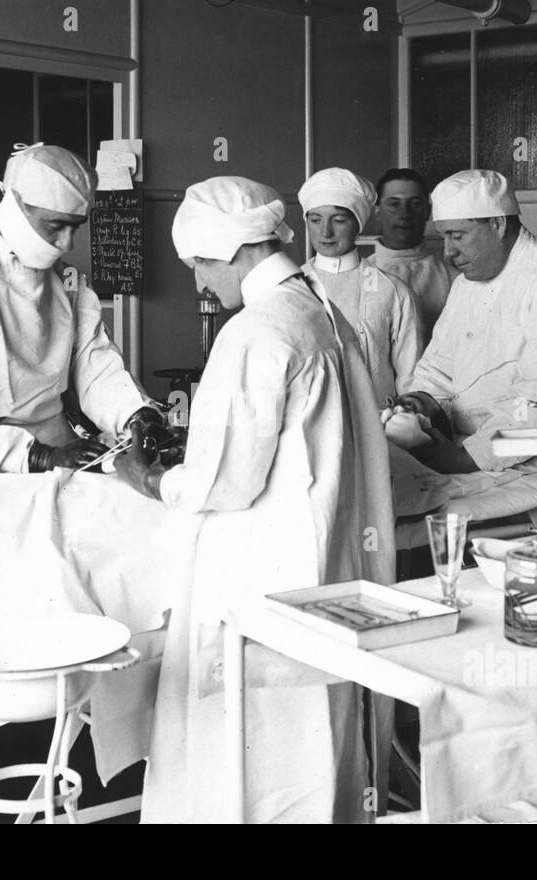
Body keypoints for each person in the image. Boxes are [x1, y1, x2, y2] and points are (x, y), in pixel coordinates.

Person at [114, 176, 395, 823]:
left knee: (255, 747)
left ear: (231, 248)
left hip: (267, 574)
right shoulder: (319, 307)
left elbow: (224, 482)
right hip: (328, 558)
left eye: (199, 265)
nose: (197, 284)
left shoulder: (254, 331)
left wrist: (150, 477)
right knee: (314, 732)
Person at [0, 143, 164, 492]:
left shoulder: (64, 280)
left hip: (59, 465)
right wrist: (41, 457)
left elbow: (94, 366)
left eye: (75, 228)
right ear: (15, 205)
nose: (67, 244)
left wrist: (136, 415)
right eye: (56, 226)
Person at [396, 169, 537, 476]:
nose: (447, 252)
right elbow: (438, 368)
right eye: (444, 237)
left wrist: (466, 458)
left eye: (458, 236)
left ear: (497, 224)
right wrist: (419, 404)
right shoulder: (467, 283)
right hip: (471, 450)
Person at [298, 167, 421, 406]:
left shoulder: (392, 291)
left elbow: (411, 378)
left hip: (378, 426)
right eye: (315, 220)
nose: (326, 231)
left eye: (339, 220)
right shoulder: (291, 287)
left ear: (358, 222)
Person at [363, 167, 453, 343]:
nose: (404, 214)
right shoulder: (360, 275)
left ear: (427, 212)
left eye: (415, 203)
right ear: (377, 212)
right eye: (394, 204)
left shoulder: (452, 278)